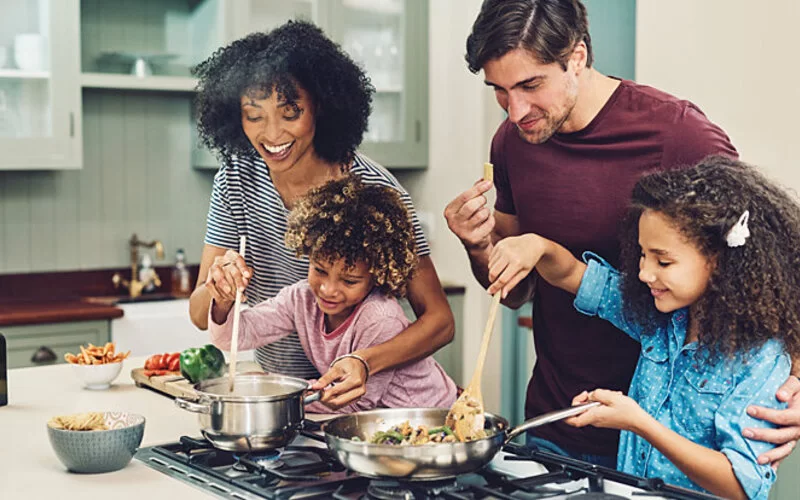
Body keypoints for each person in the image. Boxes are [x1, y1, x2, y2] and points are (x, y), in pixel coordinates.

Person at [444, 0, 800, 467]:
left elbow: (769, 257)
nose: (516, 111)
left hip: (676, 445)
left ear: (577, 57)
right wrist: (478, 244)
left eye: (531, 85)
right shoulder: (512, 144)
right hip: (557, 422)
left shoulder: (677, 133)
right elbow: (516, 292)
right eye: (500, 91)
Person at [486, 156, 800, 499]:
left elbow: (740, 484)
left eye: (663, 260)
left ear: (718, 261)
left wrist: (638, 422)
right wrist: (538, 246)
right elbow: (573, 275)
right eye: (642, 255)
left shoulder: (761, 358)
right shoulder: (657, 317)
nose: (645, 273)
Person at [189, 20, 454, 410]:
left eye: (290, 112)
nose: (271, 133)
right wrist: (220, 289)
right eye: (254, 115)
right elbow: (200, 314)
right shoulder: (235, 179)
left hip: (356, 403)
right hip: (286, 396)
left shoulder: (375, 192)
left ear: (321, 107)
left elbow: (440, 322)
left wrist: (364, 361)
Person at [208, 176, 458, 412]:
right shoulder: (301, 299)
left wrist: (273, 388)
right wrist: (223, 301)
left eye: (349, 281)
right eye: (319, 270)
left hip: (428, 413)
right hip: (377, 419)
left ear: (377, 276)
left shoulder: (379, 318)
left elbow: (354, 402)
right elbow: (233, 337)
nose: (328, 289)